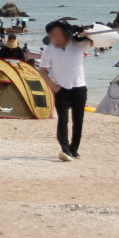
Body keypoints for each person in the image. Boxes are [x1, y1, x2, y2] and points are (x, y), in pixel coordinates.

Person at [37, 21, 92, 162]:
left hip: (80, 88)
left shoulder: (78, 44)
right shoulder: (49, 50)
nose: (55, 36)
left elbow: (92, 42)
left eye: (58, 33)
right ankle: (65, 150)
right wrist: (52, 86)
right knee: (63, 120)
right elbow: (42, 70)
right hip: (61, 89)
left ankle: (74, 149)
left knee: (78, 120)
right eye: (52, 34)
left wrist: (85, 33)